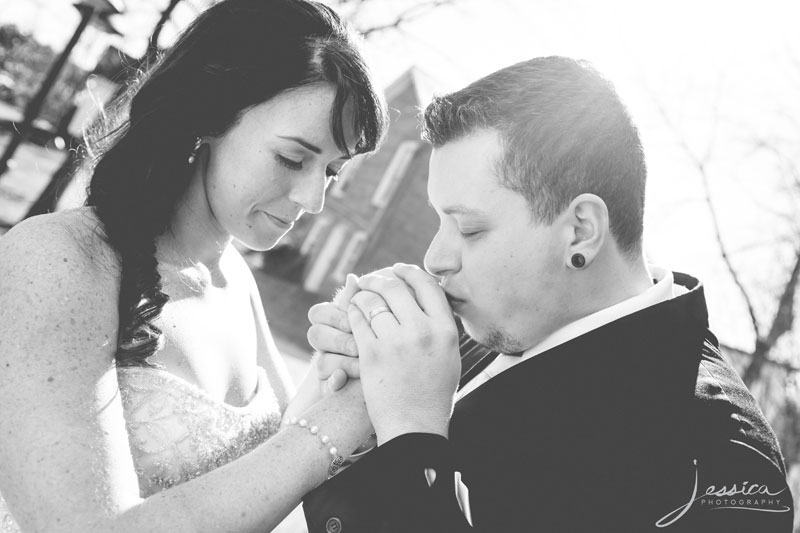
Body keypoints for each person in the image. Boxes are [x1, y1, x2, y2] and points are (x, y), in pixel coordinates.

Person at [302, 57, 794, 532]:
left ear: (580, 231)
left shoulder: (717, 459)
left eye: (469, 229)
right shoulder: (489, 327)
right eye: (439, 221)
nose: (435, 257)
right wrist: (359, 402)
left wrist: (411, 436)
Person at [0, 0, 388, 530]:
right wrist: (336, 425)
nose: (312, 199)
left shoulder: (238, 283)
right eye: (293, 159)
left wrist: (350, 367)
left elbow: (269, 469)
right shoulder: (58, 259)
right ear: (209, 115)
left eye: (332, 171)